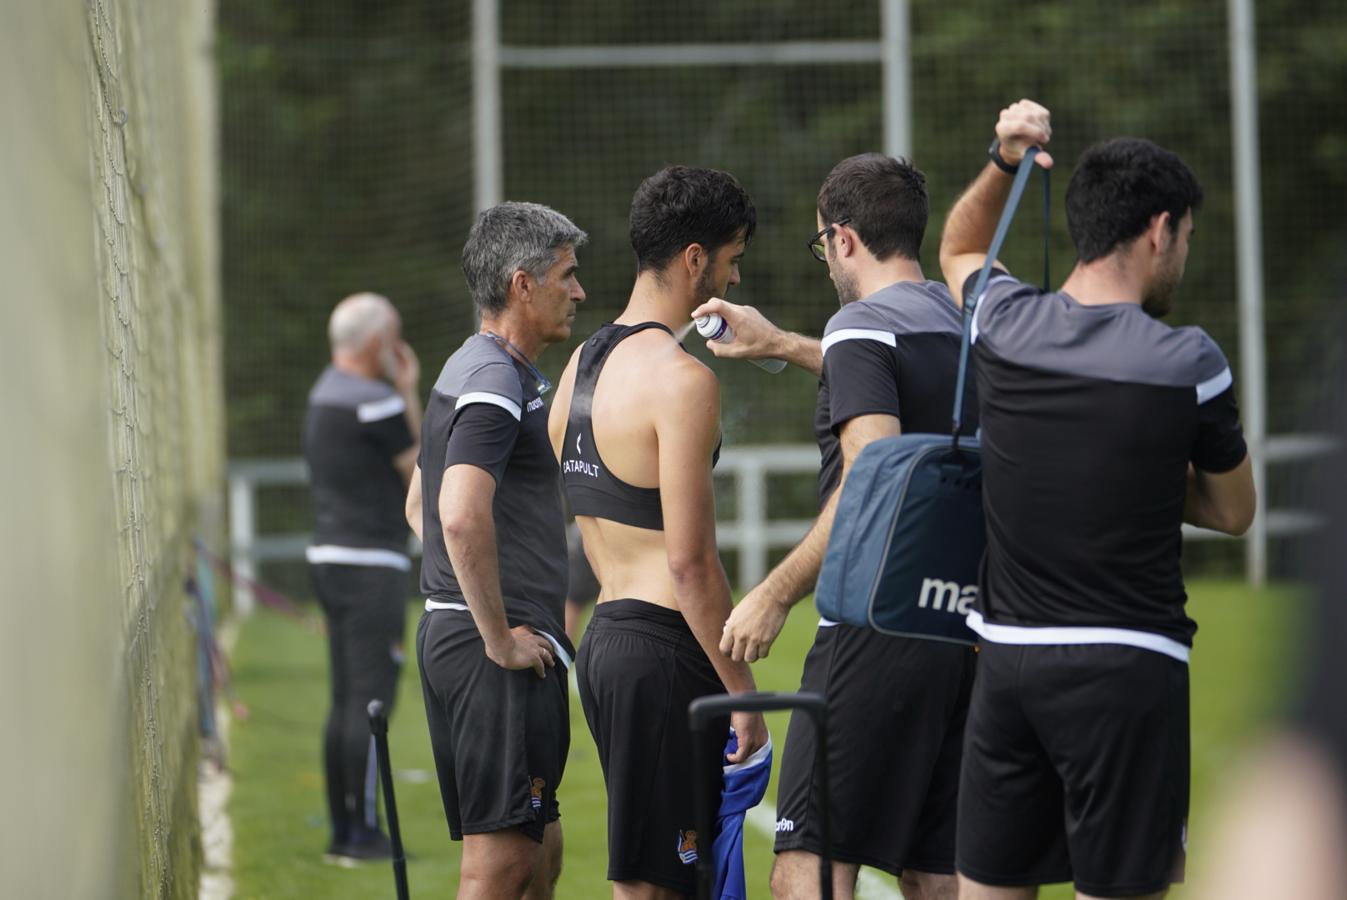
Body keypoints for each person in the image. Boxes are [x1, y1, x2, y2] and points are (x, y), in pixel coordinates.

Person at [938, 100, 1256, 899]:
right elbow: (1232, 510)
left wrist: (1005, 157)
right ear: (1159, 229)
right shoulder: (1189, 361)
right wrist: (1130, 470)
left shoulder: (1003, 325)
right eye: (1185, 236)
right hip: (1127, 671)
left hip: (1006, 664)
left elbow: (962, 245)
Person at [710, 154, 977, 900]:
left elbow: (872, 473)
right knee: (939, 870)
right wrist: (781, 344)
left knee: (809, 867)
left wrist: (774, 591)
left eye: (820, 243)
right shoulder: (970, 324)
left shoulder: (860, 325)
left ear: (843, 238)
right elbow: (894, 374)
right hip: (968, 629)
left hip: (875, 623)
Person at [548, 165, 768, 899]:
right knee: (655, 889)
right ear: (694, 259)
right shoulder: (680, 379)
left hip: (607, 646)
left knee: (657, 879)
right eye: (731, 262)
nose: (732, 284)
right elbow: (690, 563)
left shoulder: (579, 365)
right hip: (665, 655)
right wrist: (741, 691)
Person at [404, 202, 586, 899]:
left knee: (539, 853)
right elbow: (452, 515)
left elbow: (418, 506)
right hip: (490, 654)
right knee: (503, 865)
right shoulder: (493, 382)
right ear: (521, 285)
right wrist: (496, 635)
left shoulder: (478, 366)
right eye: (566, 276)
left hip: (473, 636)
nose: (579, 292)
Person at [302, 292, 422, 863]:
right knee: (371, 701)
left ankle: (341, 830)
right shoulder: (374, 402)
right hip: (372, 565)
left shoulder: (323, 394)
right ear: (377, 345)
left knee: (345, 698)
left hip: (327, 558)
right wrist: (407, 390)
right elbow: (420, 473)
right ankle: (363, 834)